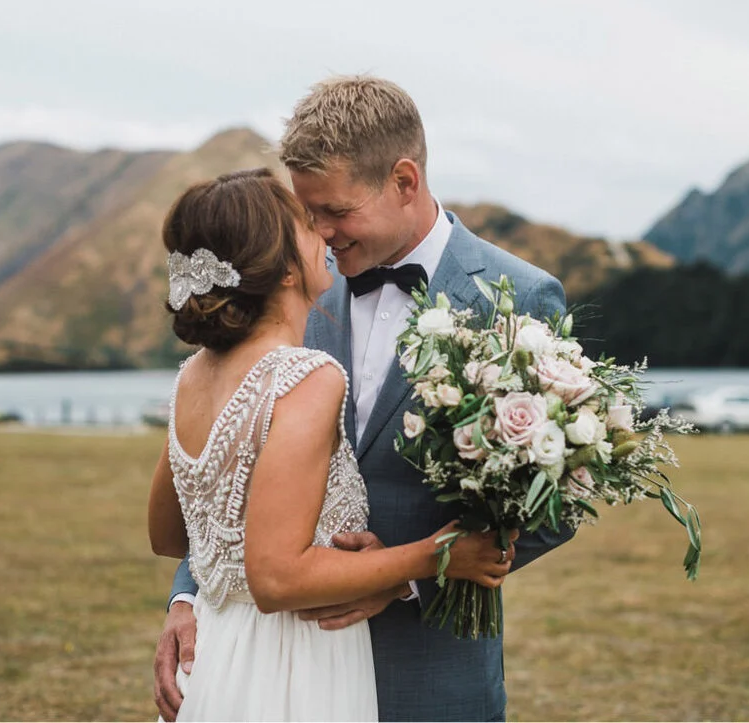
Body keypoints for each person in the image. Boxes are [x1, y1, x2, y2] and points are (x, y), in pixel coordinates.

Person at [154, 76, 575, 721]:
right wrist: (189, 596)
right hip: (273, 667)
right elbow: (230, 473)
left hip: (429, 672)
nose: (319, 232)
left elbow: (554, 502)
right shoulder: (288, 291)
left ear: (404, 181)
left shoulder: (517, 297)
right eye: (308, 212)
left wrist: (405, 579)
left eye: (336, 211)